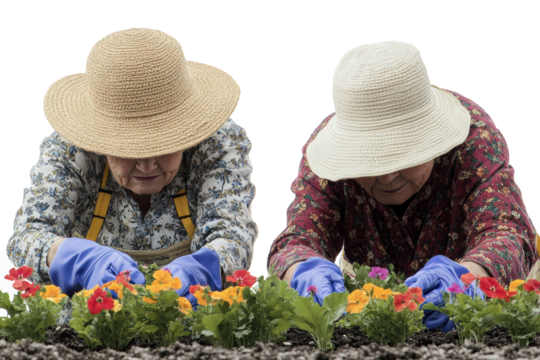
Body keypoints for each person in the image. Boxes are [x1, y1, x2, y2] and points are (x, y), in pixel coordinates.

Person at [267, 39, 539, 333]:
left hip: (472, 301)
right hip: (373, 302)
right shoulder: (325, 156)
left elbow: (509, 234)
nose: (387, 178)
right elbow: (297, 240)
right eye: (370, 163)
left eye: (404, 156)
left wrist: (470, 276)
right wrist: (302, 270)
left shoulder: (475, 139)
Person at [7, 26, 258, 326]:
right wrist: (70, 257)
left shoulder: (218, 144)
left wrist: (205, 267)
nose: (148, 165)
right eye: (129, 150)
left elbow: (232, 236)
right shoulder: (70, 150)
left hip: (190, 326)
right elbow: (26, 235)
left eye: (164, 146)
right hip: (86, 329)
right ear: (101, 140)